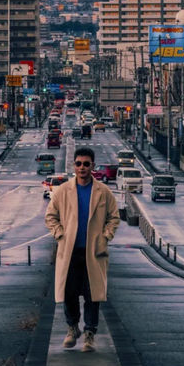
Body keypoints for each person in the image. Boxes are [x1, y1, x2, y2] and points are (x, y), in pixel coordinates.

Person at [45, 145, 120, 353]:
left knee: (92, 295)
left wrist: (105, 237)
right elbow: (50, 216)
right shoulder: (62, 191)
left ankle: (89, 334)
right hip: (69, 252)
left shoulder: (103, 192)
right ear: (74, 166)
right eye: (78, 164)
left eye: (86, 164)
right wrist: (60, 234)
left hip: (94, 253)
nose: (82, 167)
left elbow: (114, 217)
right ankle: (72, 328)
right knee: (68, 293)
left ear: (92, 166)